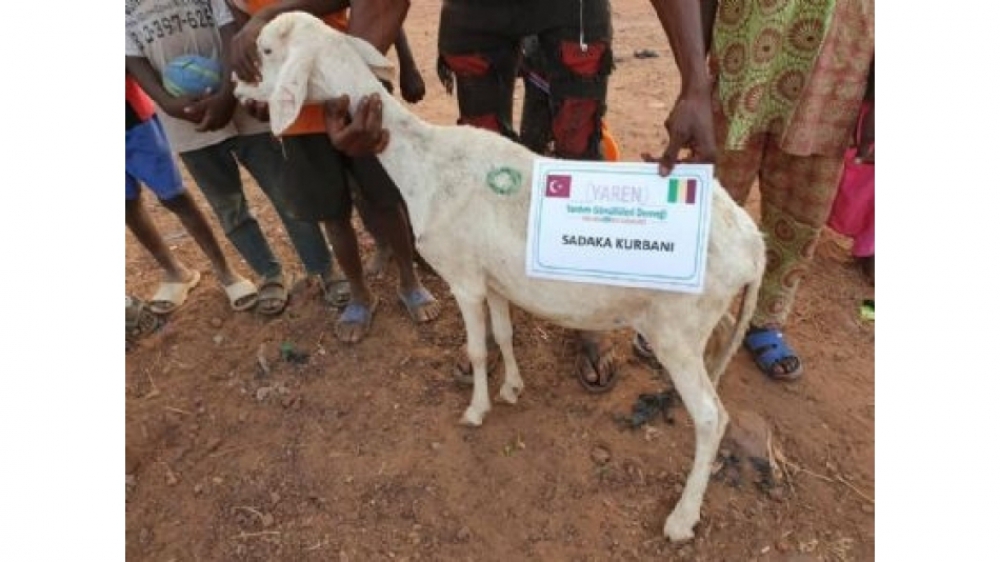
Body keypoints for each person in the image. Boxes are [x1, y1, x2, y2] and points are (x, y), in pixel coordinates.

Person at [322, 0, 716, 392]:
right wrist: (355, 94)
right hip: (476, 14)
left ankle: (587, 317)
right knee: (484, 168)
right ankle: (492, 317)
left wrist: (696, 86)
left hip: (573, 11)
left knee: (578, 155)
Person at [635, 0, 875, 381]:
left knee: (798, 215)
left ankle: (764, 319)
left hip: (835, 79)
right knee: (708, 200)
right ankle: (678, 307)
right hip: (741, 65)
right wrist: (693, 84)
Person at [229, 0, 442, 343]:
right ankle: (359, 294)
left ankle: (409, 280)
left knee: (385, 199)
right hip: (298, 117)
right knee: (332, 213)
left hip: (353, 92)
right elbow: (246, 42)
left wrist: (406, 61)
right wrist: (254, 94)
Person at [127, 0, 350, 316]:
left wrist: (228, 92)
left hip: (242, 97)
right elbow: (133, 60)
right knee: (228, 206)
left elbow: (231, 26)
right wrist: (169, 104)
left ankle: (322, 267)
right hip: (185, 120)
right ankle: (269, 274)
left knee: (285, 191)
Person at [126, 73, 257, 315]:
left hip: (134, 123)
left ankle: (225, 272)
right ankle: (176, 272)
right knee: (127, 205)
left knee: (174, 197)